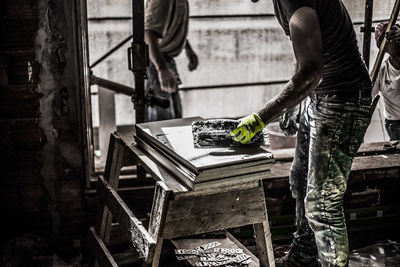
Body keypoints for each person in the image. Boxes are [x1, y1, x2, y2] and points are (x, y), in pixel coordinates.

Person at [231, 0, 372, 266]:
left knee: (323, 204)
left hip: (343, 100)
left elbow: (312, 70)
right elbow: (309, 56)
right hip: (322, 96)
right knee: (298, 179)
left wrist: (261, 117)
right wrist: (293, 104)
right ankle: (304, 256)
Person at [144, 0, 198, 122]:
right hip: (157, 61)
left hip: (165, 60)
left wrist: (187, 47)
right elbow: (148, 33)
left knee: (174, 118)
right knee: (162, 123)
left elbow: (171, 25)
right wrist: (161, 69)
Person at [372, 22, 400, 140]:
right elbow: (367, 97)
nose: (396, 42)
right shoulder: (381, 71)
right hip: (396, 124)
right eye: (390, 39)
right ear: (383, 46)